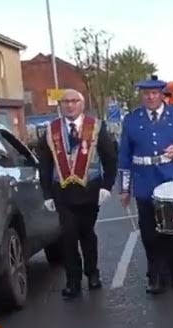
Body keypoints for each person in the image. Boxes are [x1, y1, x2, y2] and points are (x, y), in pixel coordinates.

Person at [118, 76, 173, 294]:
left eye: (154, 93)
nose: (150, 97)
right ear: (141, 95)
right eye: (146, 93)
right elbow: (124, 156)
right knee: (149, 233)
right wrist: (125, 189)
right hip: (145, 181)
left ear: (162, 94)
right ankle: (155, 275)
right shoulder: (131, 119)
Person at [36, 88, 118, 298]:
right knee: (68, 235)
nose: (70, 105)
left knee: (87, 233)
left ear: (81, 104)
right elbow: (44, 165)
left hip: (89, 189)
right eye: (65, 102)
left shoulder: (96, 127)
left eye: (74, 101)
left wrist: (106, 187)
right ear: (61, 106)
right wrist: (47, 195)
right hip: (62, 192)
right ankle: (73, 280)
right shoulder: (51, 130)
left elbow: (110, 158)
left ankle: (92, 273)